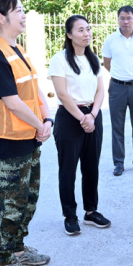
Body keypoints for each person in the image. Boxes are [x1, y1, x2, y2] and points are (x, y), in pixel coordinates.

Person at [0, 0, 52, 266]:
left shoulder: (17, 48)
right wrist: (39, 125)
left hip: (29, 136)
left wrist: (45, 120)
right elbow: (11, 100)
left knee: (27, 198)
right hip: (7, 140)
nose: (23, 15)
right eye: (18, 11)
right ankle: (5, 261)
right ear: (1, 17)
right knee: (8, 202)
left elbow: (33, 90)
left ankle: (18, 249)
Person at [48, 15, 111, 236]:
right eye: (81, 30)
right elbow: (63, 94)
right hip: (69, 117)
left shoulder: (93, 59)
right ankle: (70, 215)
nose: (86, 34)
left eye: (88, 29)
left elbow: (101, 90)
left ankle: (91, 211)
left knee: (91, 166)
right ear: (69, 35)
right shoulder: (60, 59)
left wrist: (92, 115)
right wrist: (82, 118)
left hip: (93, 115)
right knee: (68, 170)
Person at [102, 5, 133, 176]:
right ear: (118, 20)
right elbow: (107, 63)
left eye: (129, 18)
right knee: (117, 127)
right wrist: (120, 75)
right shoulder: (110, 40)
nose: (126, 21)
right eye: (122, 18)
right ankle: (119, 163)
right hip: (117, 87)